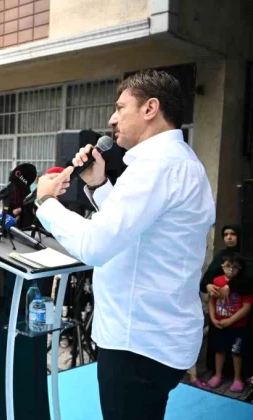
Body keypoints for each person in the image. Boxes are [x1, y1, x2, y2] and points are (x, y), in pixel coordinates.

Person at [35, 70, 215, 419]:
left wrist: (46, 204)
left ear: (150, 108)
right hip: (154, 336)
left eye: (120, 107)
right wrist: (100, 184)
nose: (112, 119)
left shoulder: (156, 166)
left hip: (138, 343)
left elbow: (95, 244)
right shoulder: (177, 162)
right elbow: (137, 229)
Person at [206, 254, 251, 392]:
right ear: (222, 266)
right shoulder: (216, 281)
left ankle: (238, 379)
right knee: (219, 350)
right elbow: (212, 301)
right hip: (219, 324)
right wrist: (213, 318)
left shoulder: (244, 284)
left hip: (238, 326)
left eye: (235, 267)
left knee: (236, 352)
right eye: (227, 266)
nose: (231, 269)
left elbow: (247, 306)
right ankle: (217, 375)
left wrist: (230, 320)